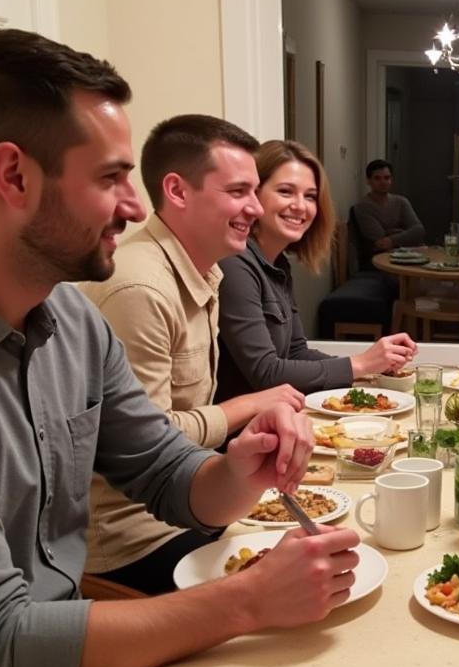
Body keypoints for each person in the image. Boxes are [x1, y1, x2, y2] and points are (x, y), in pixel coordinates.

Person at [0, 28, 359, 667]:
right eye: (109, 178)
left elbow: (174, 483)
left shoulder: (75, 326)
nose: (134, 207)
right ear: (13, 176)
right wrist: (246, 599)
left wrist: (242, 469)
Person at [79, 116, 307, 594]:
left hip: (188, 508)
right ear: (178, 191)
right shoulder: (140, 287)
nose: (254, 206)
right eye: (239, 191)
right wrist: (251, 406)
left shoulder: (208, 272)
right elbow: (151, 440)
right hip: (136, 540)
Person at [216, 140, 417, 398]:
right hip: (244, 431)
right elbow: (265, 372)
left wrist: (370, 368)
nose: (301, 206)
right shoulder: (234, 263)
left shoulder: (278, 264)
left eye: (310, 196)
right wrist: (362, 364)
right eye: (286, 191)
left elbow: (297, 351)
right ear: (255, 194)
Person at [350, 158, 426, 256]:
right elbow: (380, 242)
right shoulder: (363, 207)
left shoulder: (401, 201)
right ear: (368, 181)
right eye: (377, 178)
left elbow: (419, 230)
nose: (383, 182)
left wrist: (392, 238)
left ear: (391, 180)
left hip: (410, 253)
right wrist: (406, 234)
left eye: (387, 178)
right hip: (380, 258)